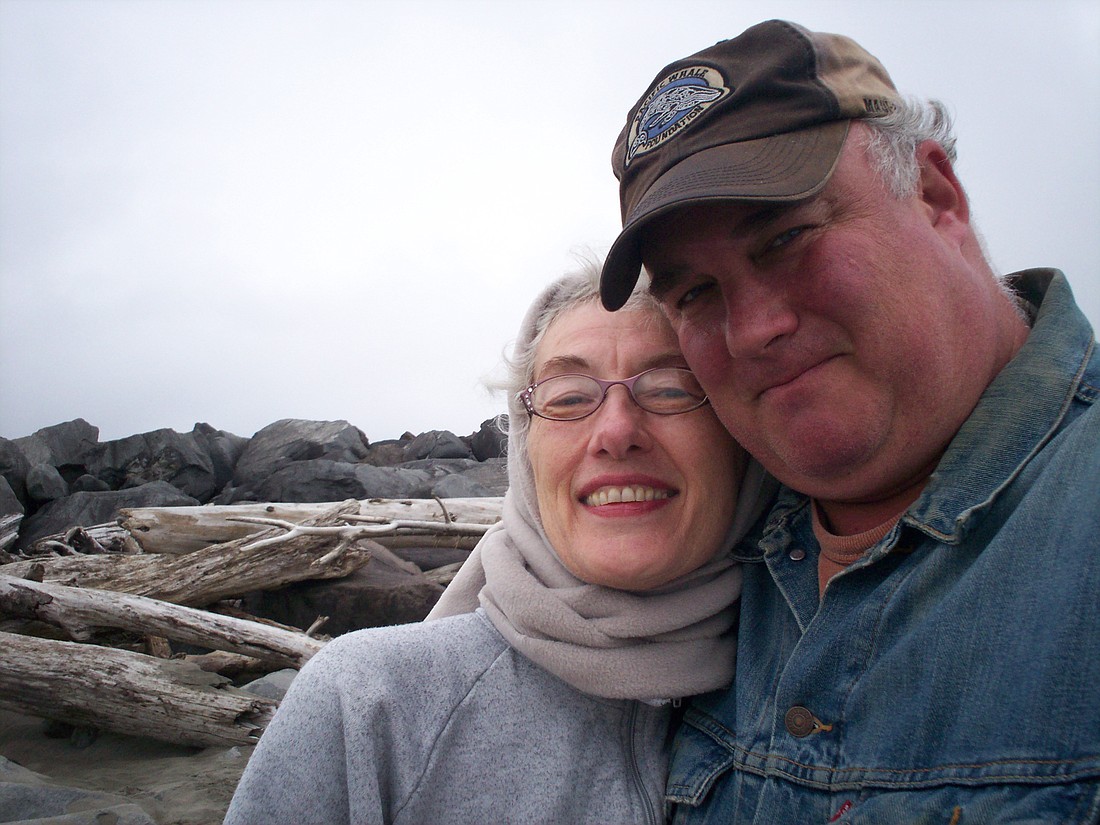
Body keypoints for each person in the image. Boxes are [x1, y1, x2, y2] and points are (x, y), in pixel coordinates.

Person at [598, 19, 1100, 823]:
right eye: (695, 293)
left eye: (788, 237)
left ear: (936, 195)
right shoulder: (700, 560)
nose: (752, 328)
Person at [223, 264, 776, 825]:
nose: (615, 432)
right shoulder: (367, 707)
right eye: (566, 398)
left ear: (739, 438)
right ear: (524, 449)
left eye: (670, 388)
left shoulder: (834, 680)